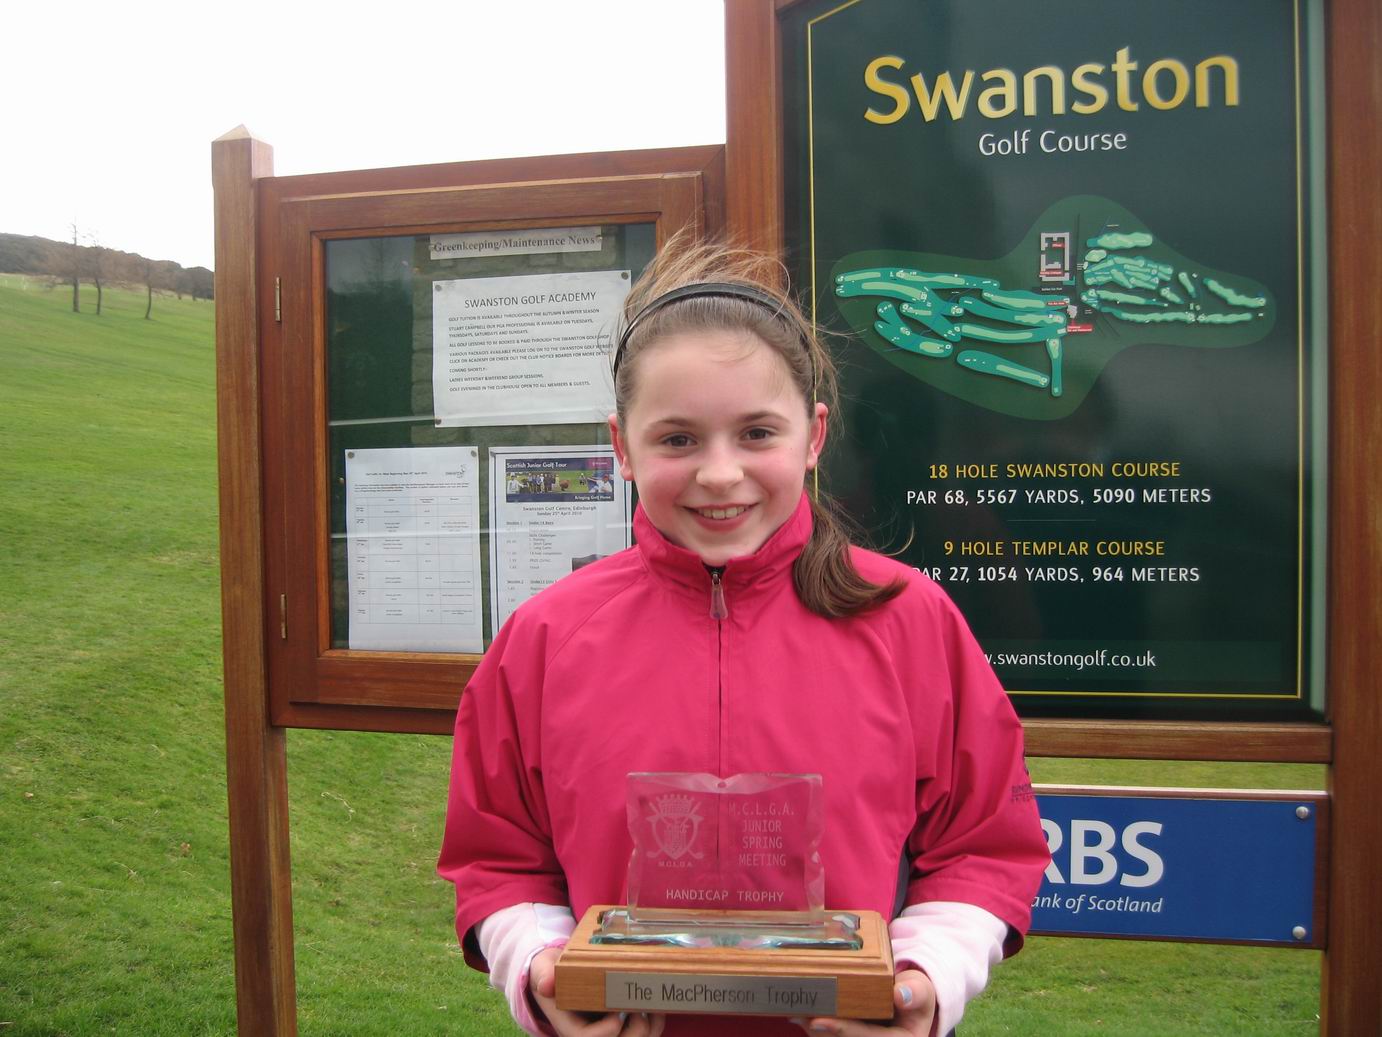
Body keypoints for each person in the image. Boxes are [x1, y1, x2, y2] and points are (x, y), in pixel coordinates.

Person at [439, 238, 1050, 1037]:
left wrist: (927, 975)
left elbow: (983, 844)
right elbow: (499, 858)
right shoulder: (544, 638)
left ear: (814, 435)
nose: (720, 473)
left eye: (757, 432)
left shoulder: (909, 619)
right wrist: (538, 967)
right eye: (678, 439)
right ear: (622, 446)